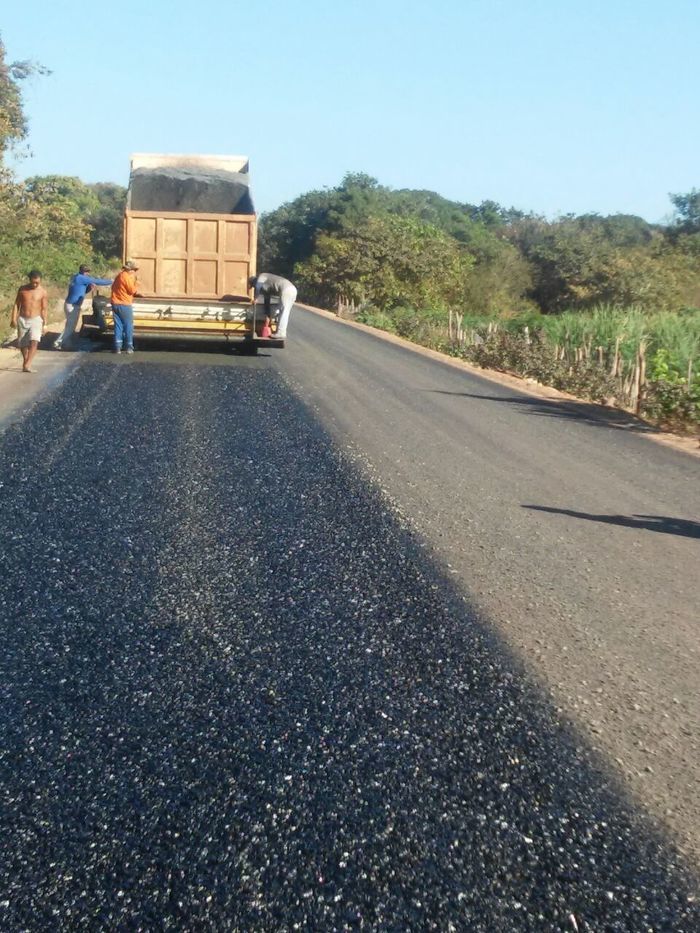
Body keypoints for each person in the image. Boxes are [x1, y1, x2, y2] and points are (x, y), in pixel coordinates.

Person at [55, 264, 113, 350]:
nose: (87, 273)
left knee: (70, 326)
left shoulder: (76, 277)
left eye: (88, 271)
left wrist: (90, 288)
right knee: (70, 327)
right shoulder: (81, 278)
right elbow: (97, 281)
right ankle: (58, 342)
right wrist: (111, 281)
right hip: (72, 305)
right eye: (86, 272)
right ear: (82, 271)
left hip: (72, 304)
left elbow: (82, 291)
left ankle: (66, 344)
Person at [11, 270, 48, 373]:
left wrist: (45, 324)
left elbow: (44, 309)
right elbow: (16, 304)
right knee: (22, 344)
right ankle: (25, 361)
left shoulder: (43, 292)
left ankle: (28, 364)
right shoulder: (22, 289)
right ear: (29, 280)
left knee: (34, 341)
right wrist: (13, 318)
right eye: (33, 282)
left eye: (37, 282)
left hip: (36, 319)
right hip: (22, 318)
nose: (35, 284)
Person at [249, 273, 297, 340]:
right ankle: (279, 332)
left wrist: (255, 298)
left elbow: (257, 286)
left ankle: (281, 333)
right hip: (290, 289)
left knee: (283, 311)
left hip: (287, 289)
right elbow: (267, 302)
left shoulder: (262, 276)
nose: (254, 287)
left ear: (254, 281)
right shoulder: (266, 288)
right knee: (280, 311)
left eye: (253, 285)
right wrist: (268, 315)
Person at [110, 260, 139, 354]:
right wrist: (136, 284)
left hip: (115, 303)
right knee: (128, 326)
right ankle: (129, 347)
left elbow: (113, 287)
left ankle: (117, 347)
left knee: (118, 326)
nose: (134, 272)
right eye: (134, 270)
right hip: (124, 304)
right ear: (130, 270)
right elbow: (132, 291)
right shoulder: (126, 277)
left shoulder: (119, 276)